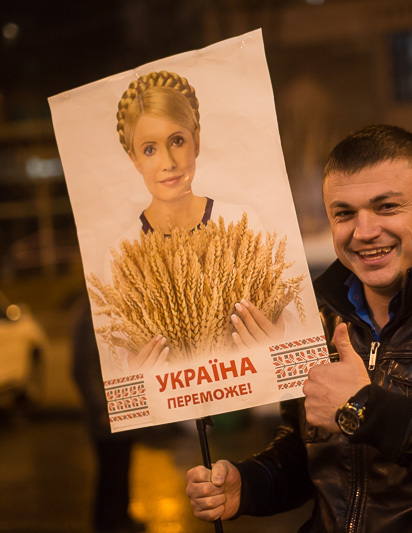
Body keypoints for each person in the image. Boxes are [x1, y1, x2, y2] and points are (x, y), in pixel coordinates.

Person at [185, 124, 412, 532]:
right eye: (344, 213)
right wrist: (250, 485)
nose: (364, 232)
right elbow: (307, 458)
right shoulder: (314, 316)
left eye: (386, 207)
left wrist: (365, 408)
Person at [110, 70, 287, 371]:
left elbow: (285, 312)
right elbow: (113, 349)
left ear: (197, 141)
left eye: (177, 140)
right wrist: (133, 369)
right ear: (133, 159)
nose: (168, 163)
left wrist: (277, 338)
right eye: (149, 149)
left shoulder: (241, 223)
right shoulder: (122, 252)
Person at [72, 296, 146, 533]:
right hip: (105, 412)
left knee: (122, 465)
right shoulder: (88, 319)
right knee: (110, 470)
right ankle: (106, 523)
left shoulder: (110, 314)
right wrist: (101, 407)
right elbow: (83, 368)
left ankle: (121, 517)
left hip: (123, 405)